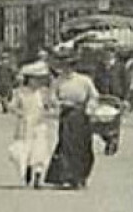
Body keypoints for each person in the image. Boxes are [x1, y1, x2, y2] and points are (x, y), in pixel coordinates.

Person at [44, 54, 98, 189]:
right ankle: (67, 176)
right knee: (66, 146)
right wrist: (58, 103)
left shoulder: (84, 80)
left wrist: (89, 108)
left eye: (70, 66)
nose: (67, 69)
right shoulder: (58, 81)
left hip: (81, 115)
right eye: (64, 66)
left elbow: (94, 96)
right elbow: (51, 97)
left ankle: (81, 176)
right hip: (66, 115)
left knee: (82, 146)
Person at [9, 61, 57, 188]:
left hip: (39, 124)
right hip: (25, 125)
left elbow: (50, 105)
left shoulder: (43, 93)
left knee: (39, 150)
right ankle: (27, 170)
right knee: (23, 150)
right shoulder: (20, 92)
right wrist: (21, 113)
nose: (36, 82)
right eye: (34, 79)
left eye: (38, 80)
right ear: (28, 79)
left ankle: (38, 174)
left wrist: (50, 110)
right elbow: (12, 107)